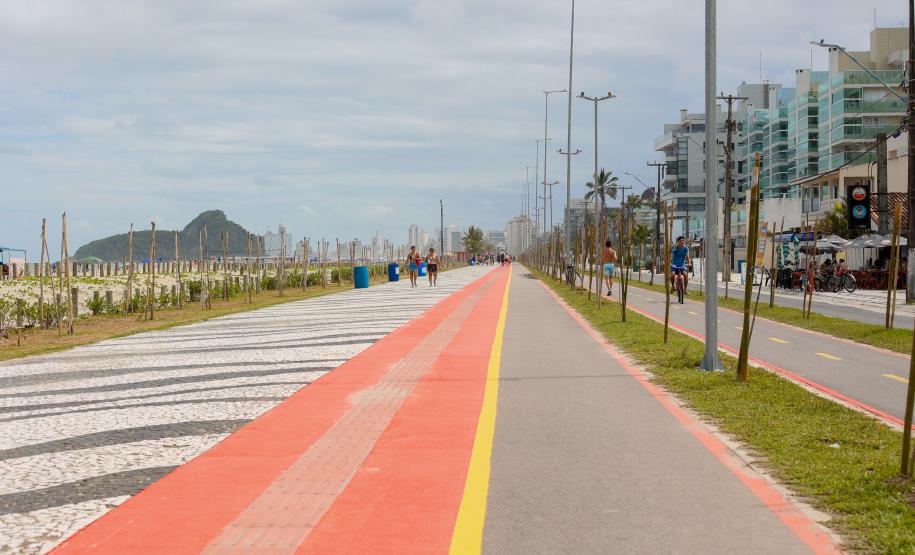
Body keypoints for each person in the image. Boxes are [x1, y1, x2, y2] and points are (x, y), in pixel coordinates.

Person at [670, 236, 690, 302]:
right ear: (678, 242)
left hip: (682, 265)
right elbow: (671, 256)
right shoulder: (675, 249)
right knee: (672, 275)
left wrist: (689, 263)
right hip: (674, 265)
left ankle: (685, 289)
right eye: (680, 240)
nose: (682, 242)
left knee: (685, 274)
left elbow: (687, 256)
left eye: (683, 240)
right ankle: (673, 287)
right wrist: (670, 262)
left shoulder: (686, 248)